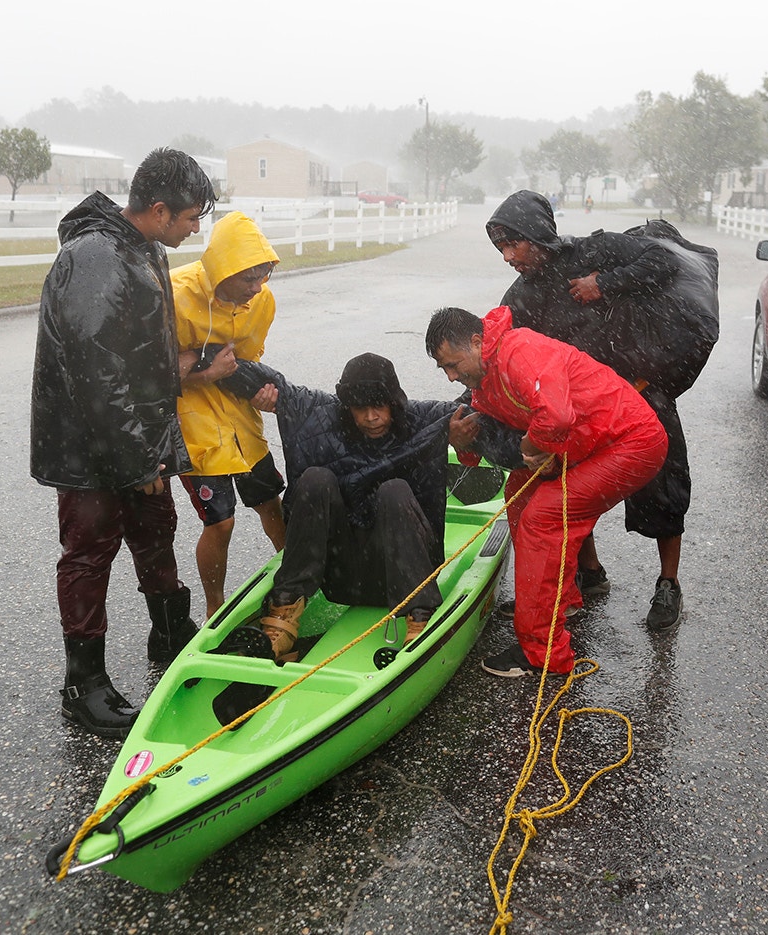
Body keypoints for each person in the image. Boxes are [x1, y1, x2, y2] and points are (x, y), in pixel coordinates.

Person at [29, 148, 216, 738]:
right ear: (159, 210)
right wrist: (138, 459)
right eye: (190, 218)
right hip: (90, 446)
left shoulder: (143, 247)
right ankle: (83, 685)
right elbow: (97, 370)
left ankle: (169, 631)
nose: (195, 229)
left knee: (155, 529)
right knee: (89, 553)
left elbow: (137, 356)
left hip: (138, 435)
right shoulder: (95, 257)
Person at [485, 189, 719, 631]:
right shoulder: (519, 297)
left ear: (537, 236)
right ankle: (590, 574)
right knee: (569, 487)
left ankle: (668, 583)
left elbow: (663, 262)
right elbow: (493, 348)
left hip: (640, 392)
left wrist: (604, 283)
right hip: (583, 408)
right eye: (500, 248)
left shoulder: (595, 250)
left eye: (513, 243)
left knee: (664, 487)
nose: (507, 256)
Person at [426, 306, 668, 677]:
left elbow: (555, 418)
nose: (451, 376)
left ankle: (543, 653)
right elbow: (480, 444)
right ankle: (560, 601)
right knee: (520, 493)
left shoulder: (519, 351)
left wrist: (532, 446)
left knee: (543, 518)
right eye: (444, 369)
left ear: (477, 342)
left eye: (454, 365)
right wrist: (461, 443)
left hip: (630, 442)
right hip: (587, 446)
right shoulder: (483, 378)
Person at [217, 353, 463, 658]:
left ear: (394, 403)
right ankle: (284, 613)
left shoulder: (423, 417)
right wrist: (209, 363)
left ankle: (420, 616)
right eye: (361, 409)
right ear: (347, 406)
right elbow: (275, 384)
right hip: (342, 576)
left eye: (379, 407)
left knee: (394, 490)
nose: (371, 417)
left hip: (405, 574)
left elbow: (481, 410)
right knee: (315, 479)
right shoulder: (321, 415)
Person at [169, 211, 287, 621]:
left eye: (262, 276)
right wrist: (205, 373)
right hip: (193, 420)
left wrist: (262, 393)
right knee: (220, 522)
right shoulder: (174, 294)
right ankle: (214, 607)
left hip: (240, 419)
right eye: (247, 280)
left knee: (271, 501)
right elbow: (147, 376)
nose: (256, 289)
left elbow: (248, 361)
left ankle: (297, 585)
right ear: (222, 272)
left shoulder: (263, 300)